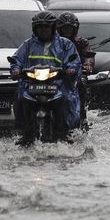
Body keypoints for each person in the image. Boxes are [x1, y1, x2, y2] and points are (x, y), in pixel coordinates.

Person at [10, 11, 81, 146]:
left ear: (53, 28)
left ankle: (63, 133)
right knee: (20, 98)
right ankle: (25, 133)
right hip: (31, 83)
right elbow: (16, 59)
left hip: (58, 83)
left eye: (46, 27)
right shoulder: (28, 44)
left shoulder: (65, 44)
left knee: (66, 99)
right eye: (40, 27)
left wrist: (71, 69)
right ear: (35, 29)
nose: (43, 30)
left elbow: (74, 60)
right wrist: (15, 70)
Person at [56, 12, 95, 130]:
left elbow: (88, 54)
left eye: (70, 28)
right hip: (55, 74)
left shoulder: (81, 42)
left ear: (75, 29)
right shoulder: (53, 42)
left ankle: (82, 117)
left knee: (81, 84)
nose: (67, 30)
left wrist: (87, 64)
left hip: (74, 74)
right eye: (64, 28)